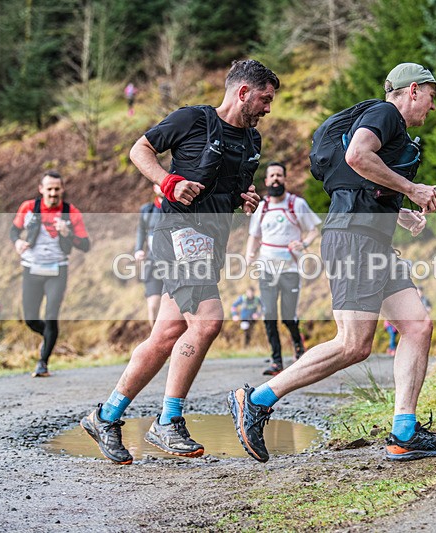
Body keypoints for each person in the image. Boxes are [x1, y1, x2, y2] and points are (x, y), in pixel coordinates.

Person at [228, 62, 436, 462]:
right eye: (431, 95)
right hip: (354, 240)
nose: (433, 105)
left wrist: (399, 210)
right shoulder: (385, 114)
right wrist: (412, 189)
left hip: (370, 238)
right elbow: (357, 155)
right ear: (412, 90)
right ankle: (257, 399)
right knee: (353, 345)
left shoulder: (394, 130)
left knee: (417, 325)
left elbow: (363, 183)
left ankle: (404, 433)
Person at [81, 59, 279, 465]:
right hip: (176, 234)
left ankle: (105, 416)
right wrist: (167, 181)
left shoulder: (252, 142)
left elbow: (234, 187)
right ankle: (168, 421)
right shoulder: (193, 120)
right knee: (207, 321)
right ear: (243, 92)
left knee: (166, 334)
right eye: (264, 99)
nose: (268, 108)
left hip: (211, 243)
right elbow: (141, 149)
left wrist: (245, 198)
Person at [10, 170, 90, 377]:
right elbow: (14, 230)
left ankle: (42, 363)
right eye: (49, 189)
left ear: (62, 189)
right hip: (32, 268)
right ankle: (49, 337)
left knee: (51, 316)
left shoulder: (71, 212)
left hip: (57, 270)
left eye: (57, 189)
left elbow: (85, 245)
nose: (53, 193)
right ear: (41, 189)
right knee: (30, 319)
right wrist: (18, 241)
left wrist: (68, 233)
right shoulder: (28, 208)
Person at [246, 161, 321, 375]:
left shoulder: (296, 204)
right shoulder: (262, 207)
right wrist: (249, 254)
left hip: (290, 269)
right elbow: (254, 236)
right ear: (267, 180)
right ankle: (276, 361)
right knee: (269, 314)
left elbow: (313, 230)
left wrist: (304, 244)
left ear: (284, 179)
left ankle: (298, 347)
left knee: (288, 316)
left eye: (279, 175)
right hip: (267, 268)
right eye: (272, 175)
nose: (276, 179)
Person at [134, 184, 164, 327]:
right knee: (153, 305)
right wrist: (138, 249)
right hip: (152, 264)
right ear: (154, 188)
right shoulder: (147, 210)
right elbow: (141, 231)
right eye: (160, 184)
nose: (163, 187)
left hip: (174, 265)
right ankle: (155, 342)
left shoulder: (179, 209)